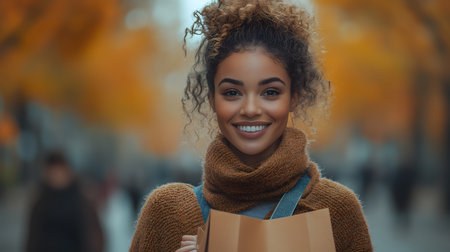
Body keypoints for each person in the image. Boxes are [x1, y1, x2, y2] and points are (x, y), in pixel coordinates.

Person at [130, 0, 372, 251]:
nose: (251, 109)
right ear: (212, 99)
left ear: (294, 97)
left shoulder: (337, 211)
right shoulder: (168, 213)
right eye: (232, 92)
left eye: (270, 92)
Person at [25, 151, 104, 252]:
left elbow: (94, 234)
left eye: (59, 170)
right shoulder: (40, 201)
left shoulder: (82, 200)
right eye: (53, 171)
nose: (57, 176)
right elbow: (33, 238)